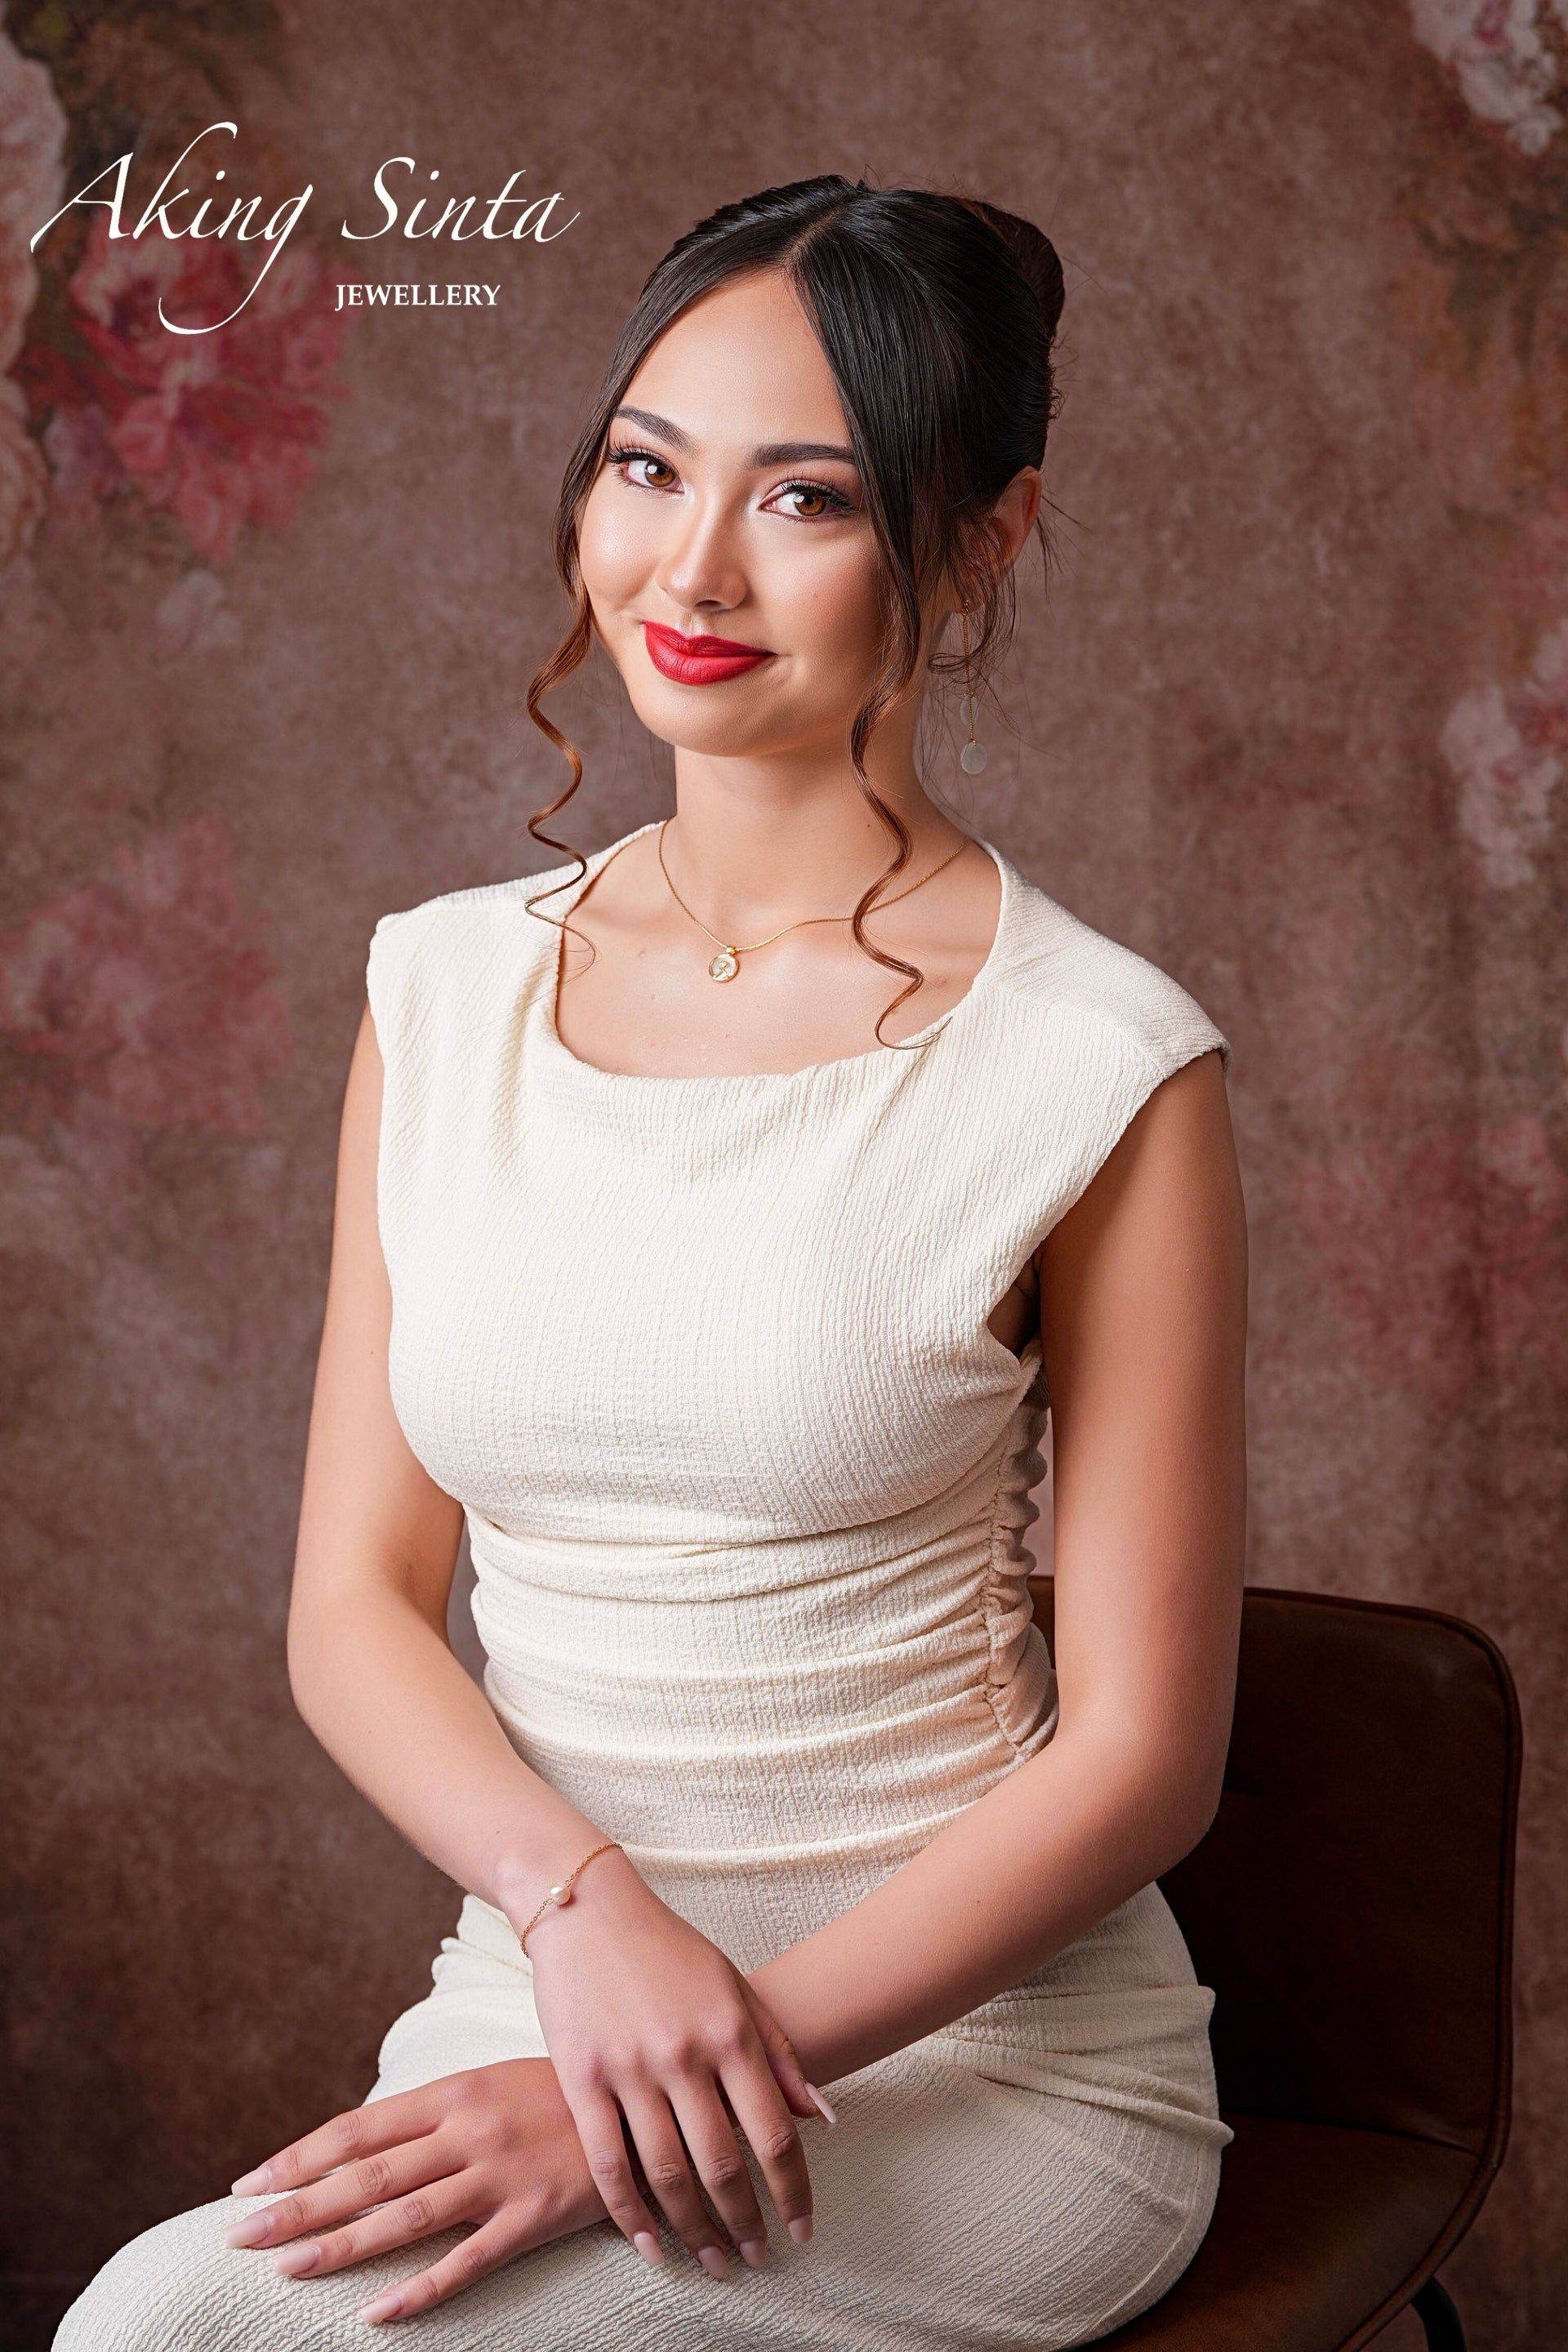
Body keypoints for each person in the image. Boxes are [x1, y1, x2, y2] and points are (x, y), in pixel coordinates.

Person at [56, 174, 1247, 2351]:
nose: (687, 569)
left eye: (804, 497)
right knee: (153, 2328)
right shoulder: (441, 994)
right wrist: (579, 1917)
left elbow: (1145, 1761)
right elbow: (352, 1606)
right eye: (645, 466)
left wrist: (692, 2064)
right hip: (540, 2004)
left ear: (984, 538)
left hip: (962, 2073)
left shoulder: (1101, 1066)